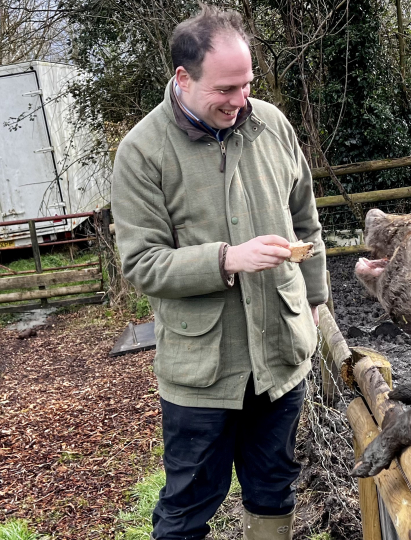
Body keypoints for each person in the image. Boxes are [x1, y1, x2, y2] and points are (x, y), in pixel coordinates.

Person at [111, 5, 327, 540]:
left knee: (274, 486)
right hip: (202, 371)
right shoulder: (142, 152)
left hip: (279, 355)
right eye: (226, 89)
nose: (240, 101)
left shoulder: (272, 126)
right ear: (183, 78)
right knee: (187, 507)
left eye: (247, 85)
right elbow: (141, 263)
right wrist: (227, 258)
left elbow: (306, 220)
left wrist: (317, 300)